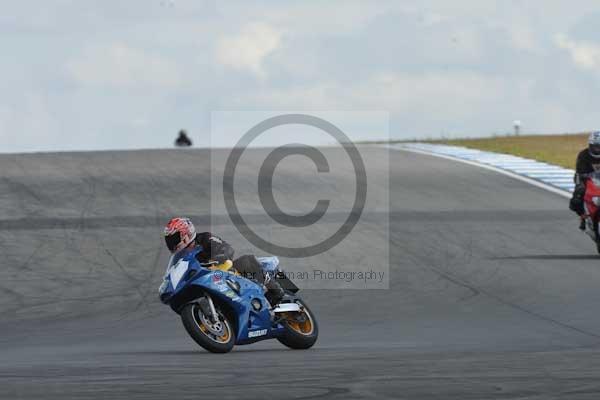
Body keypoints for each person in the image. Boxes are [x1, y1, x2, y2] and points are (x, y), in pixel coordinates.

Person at [163, 217, 284, 305]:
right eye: (169, 240)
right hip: (208, 281)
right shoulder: (181, 259)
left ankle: (275, 291)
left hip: (224, 270)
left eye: (174, 238)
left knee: (246, 261)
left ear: (186, 233)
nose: (172, 243)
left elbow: (227, 249)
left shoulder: (205, 238)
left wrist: (217, 258)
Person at [570, 131, 600, 230]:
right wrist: (585, 175)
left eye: (599, 146)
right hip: (585, 178)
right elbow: (580, 170)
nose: (598, 149)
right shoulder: (583, 154)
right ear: (590, 145)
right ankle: (583, 216)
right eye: (596, 146)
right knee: (578, 194)